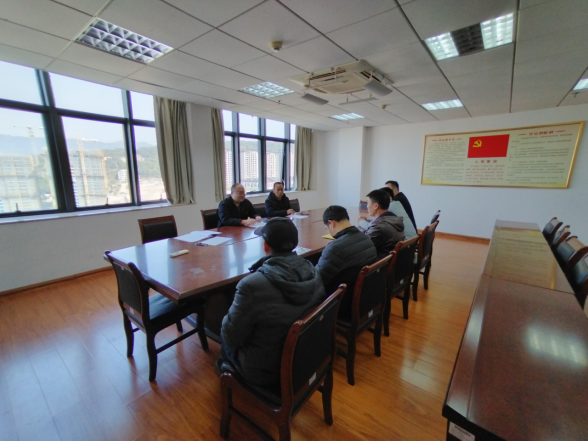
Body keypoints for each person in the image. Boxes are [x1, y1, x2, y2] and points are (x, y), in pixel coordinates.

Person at [219, 217, 325, 388]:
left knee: (224, 343)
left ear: (265, 246)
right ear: (295, 244)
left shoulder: (252, 285)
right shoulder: (313, 269)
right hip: (306, 355)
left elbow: (231, 337)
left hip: (267, 370)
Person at [316, 205, 377, 316]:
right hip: (366, 297)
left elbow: (318, 281)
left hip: (342, 304)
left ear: (331, 223)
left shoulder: (335, 248)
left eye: (327, 228)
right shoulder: (366, 238)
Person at [359, 189, 405, 259]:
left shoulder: (379, 227)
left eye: (368, 203)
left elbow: (361, 248)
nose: (367, 206)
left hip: (379, 263)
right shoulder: (394, 218)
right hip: (389, 259)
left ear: (376, 206)